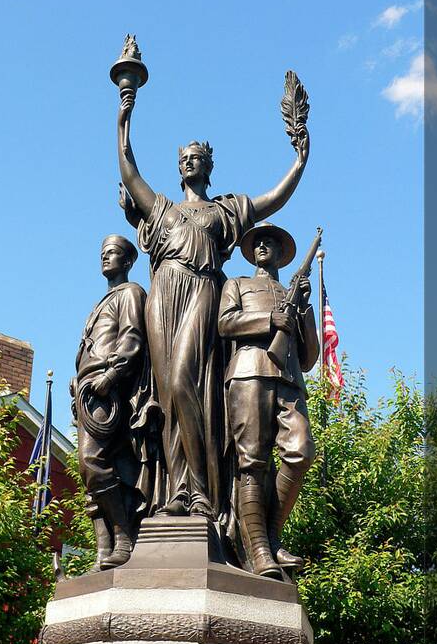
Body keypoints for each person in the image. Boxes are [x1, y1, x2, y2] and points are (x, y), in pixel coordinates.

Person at [116, 88, 310, 522]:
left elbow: (272, 200)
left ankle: (203, 491)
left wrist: (299, 162)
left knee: (189, 380)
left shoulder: (224, 211)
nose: (190, 162)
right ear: (179, 166)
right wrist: (123, 113)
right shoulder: (161, 209)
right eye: (184, 158)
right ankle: (177, 493)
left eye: (197, 158)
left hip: (202, 292)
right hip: (162, 297)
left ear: (208, 167)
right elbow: (128, 171)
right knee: (167, 394)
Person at [218, 223, 319, 579]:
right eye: (257, 242)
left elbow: (309, 357)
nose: (263, 245)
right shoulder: (238, 285)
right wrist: (269, 319)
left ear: (281, 253)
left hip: (289, 380)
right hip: (248, 373)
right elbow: (225, 324)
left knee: (301, 451)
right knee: (253, 462)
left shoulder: (291, 293)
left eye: (270, 242)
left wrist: (303, 311)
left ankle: (272, 536)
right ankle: (258, 550)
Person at [72, 235, 151, 570]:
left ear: (128, 261)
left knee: (92, 461)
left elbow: (132, 337)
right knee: (91, 475)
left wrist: (111, 376)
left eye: (114, 253)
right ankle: (103, 550)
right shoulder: (101, 301)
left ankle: (123, 536)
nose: (106, 258)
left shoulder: (130, 294)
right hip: (87, 388)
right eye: (103, 253)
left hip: (108, 387)